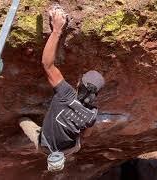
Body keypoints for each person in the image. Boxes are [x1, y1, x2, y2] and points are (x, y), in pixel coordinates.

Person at [19, 6, 105, 172]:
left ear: (79, 84)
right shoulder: (92, 115)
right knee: (77, 145)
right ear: (96, 94)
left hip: (44, 144)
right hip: (69, 148)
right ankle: (60, 157)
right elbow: (86, 133)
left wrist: (57, 30)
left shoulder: (66, 95)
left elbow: (47, 65)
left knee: (23, 121)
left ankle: (23, 122)